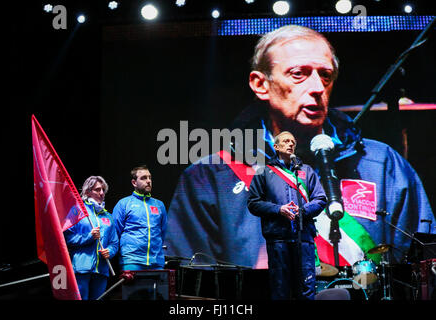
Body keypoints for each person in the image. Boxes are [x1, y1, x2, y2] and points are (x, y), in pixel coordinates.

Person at [165, 25, 435, 273]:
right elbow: (191, 283)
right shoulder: (210, 176)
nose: (317, 88)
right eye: (299, 74)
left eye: (326, 76)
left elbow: (423, 265)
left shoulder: (383, 164)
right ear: (261, 84)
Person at [247, 131, 327, 299]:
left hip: (304, 238)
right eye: (285, 141)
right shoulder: (264, 172)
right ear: (276, 147)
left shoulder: (306, 171)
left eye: (293, 141)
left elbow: (320, 199)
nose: (290, 144)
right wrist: (278, 209)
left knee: (307, 288)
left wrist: (303, 211)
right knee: (280, 289)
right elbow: (253, 203)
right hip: (278, 239)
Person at [64, 175, 119, 300]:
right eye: (97, 190)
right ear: (88, 191)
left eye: (103, 190)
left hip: (102, 270)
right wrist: (89, 237)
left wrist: (109, 251)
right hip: (81, 269)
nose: (101, 193)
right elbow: (67, 238)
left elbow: (114, 243)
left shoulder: (108, 216)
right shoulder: (77, 211)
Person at [112, 165, 167, 278]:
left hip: (156, 261)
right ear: (134, 182)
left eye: (149, 178)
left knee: (155, 295)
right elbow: (114, 233)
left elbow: (163, 232)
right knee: (133, 295)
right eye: (143, 178)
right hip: (132, 260)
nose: (148, 181)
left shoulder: (159, 205)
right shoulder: (124, 204)